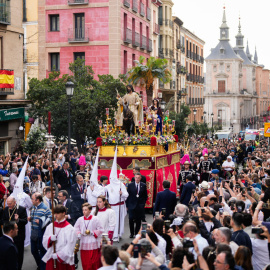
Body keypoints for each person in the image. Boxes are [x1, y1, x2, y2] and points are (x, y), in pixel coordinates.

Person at [42, 205, 77, 270]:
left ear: (64, 213)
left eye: (58, 213)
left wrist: (59, 255)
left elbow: (70, 246)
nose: (56, 215)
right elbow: (44, 239)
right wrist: (50, 239)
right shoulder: (50, 226)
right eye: (55, 213)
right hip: (52, 257)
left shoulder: (70, 229)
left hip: (64, 260)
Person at [74, 203, 104, 270]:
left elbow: (101, 229)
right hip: (84, 242)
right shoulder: (80, 219)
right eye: (83, 210)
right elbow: (75, 228)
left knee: (94, 262)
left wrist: (92, 232)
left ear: (90, 210)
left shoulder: (95, 219)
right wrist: (78, 233)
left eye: (86, 210)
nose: (84, 212)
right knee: (85, 262)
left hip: (93, 242)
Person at [2, 196, 27, 270]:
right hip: (8, 235)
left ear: (14, 202)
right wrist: (7, 224)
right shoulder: (6, 209)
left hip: (18, 236)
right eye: (7, 203)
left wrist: (18, 220)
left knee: (19, 254)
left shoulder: (21, 209)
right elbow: (3, 220)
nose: (8, 205)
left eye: (10, 204)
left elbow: (25, 221)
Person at [29, 192, 52, 270]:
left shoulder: (45, 208)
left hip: (41, 233)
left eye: (32, 199)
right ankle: (40, 264)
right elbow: (34, 217)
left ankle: (43, 267)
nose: (31, 200)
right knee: (33, 251)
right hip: (33, 232)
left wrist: (42, 221)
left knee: (42, 251)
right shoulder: (33, 207)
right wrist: (30, 219)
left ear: (37, 200)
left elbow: (51, 218)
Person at [126, 172, 148, 238]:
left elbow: (145, 195)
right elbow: (128, 195)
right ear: (134, 178)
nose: (137, 179)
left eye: (138, 178)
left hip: (140, 205)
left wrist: (143, 203)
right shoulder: (130, 185)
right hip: (131, 205)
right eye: (136, 177)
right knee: (131, 219)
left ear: (140, 178)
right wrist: (127, 205)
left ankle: (136, 233)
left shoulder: (143, 185)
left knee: (138, 220)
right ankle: (131, 233)